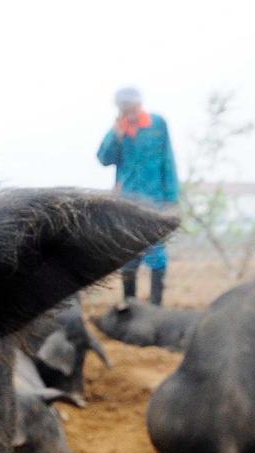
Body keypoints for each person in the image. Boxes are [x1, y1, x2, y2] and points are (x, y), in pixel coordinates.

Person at [97, 87, 179, 305]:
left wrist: (172, 199)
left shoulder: (157, 124)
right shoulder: (118, 131)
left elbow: (168, 162)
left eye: (132, 108)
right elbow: (104, 159)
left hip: (155, 200)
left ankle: (155, 307)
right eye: (125, 110)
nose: (130, 113)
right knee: (128, 254)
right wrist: (117, 135)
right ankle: (130, 305)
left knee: (157, 253)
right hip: (126, 202)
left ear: (139, 105)